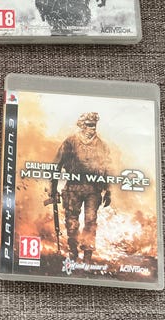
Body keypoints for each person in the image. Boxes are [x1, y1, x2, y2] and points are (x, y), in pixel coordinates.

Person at [48, 112, 111, 263]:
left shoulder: (102, 146)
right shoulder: (70, 142)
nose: (92, 128)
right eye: (89, 125)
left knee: (91, 221)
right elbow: (56, 166)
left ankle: (87, 255)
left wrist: (108, 191)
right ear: (82, 125)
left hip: (93, 189)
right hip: (73, 188)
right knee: (72, 222)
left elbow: (108, 169)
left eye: (94, 125)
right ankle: (73, 251)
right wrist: (53, 188)